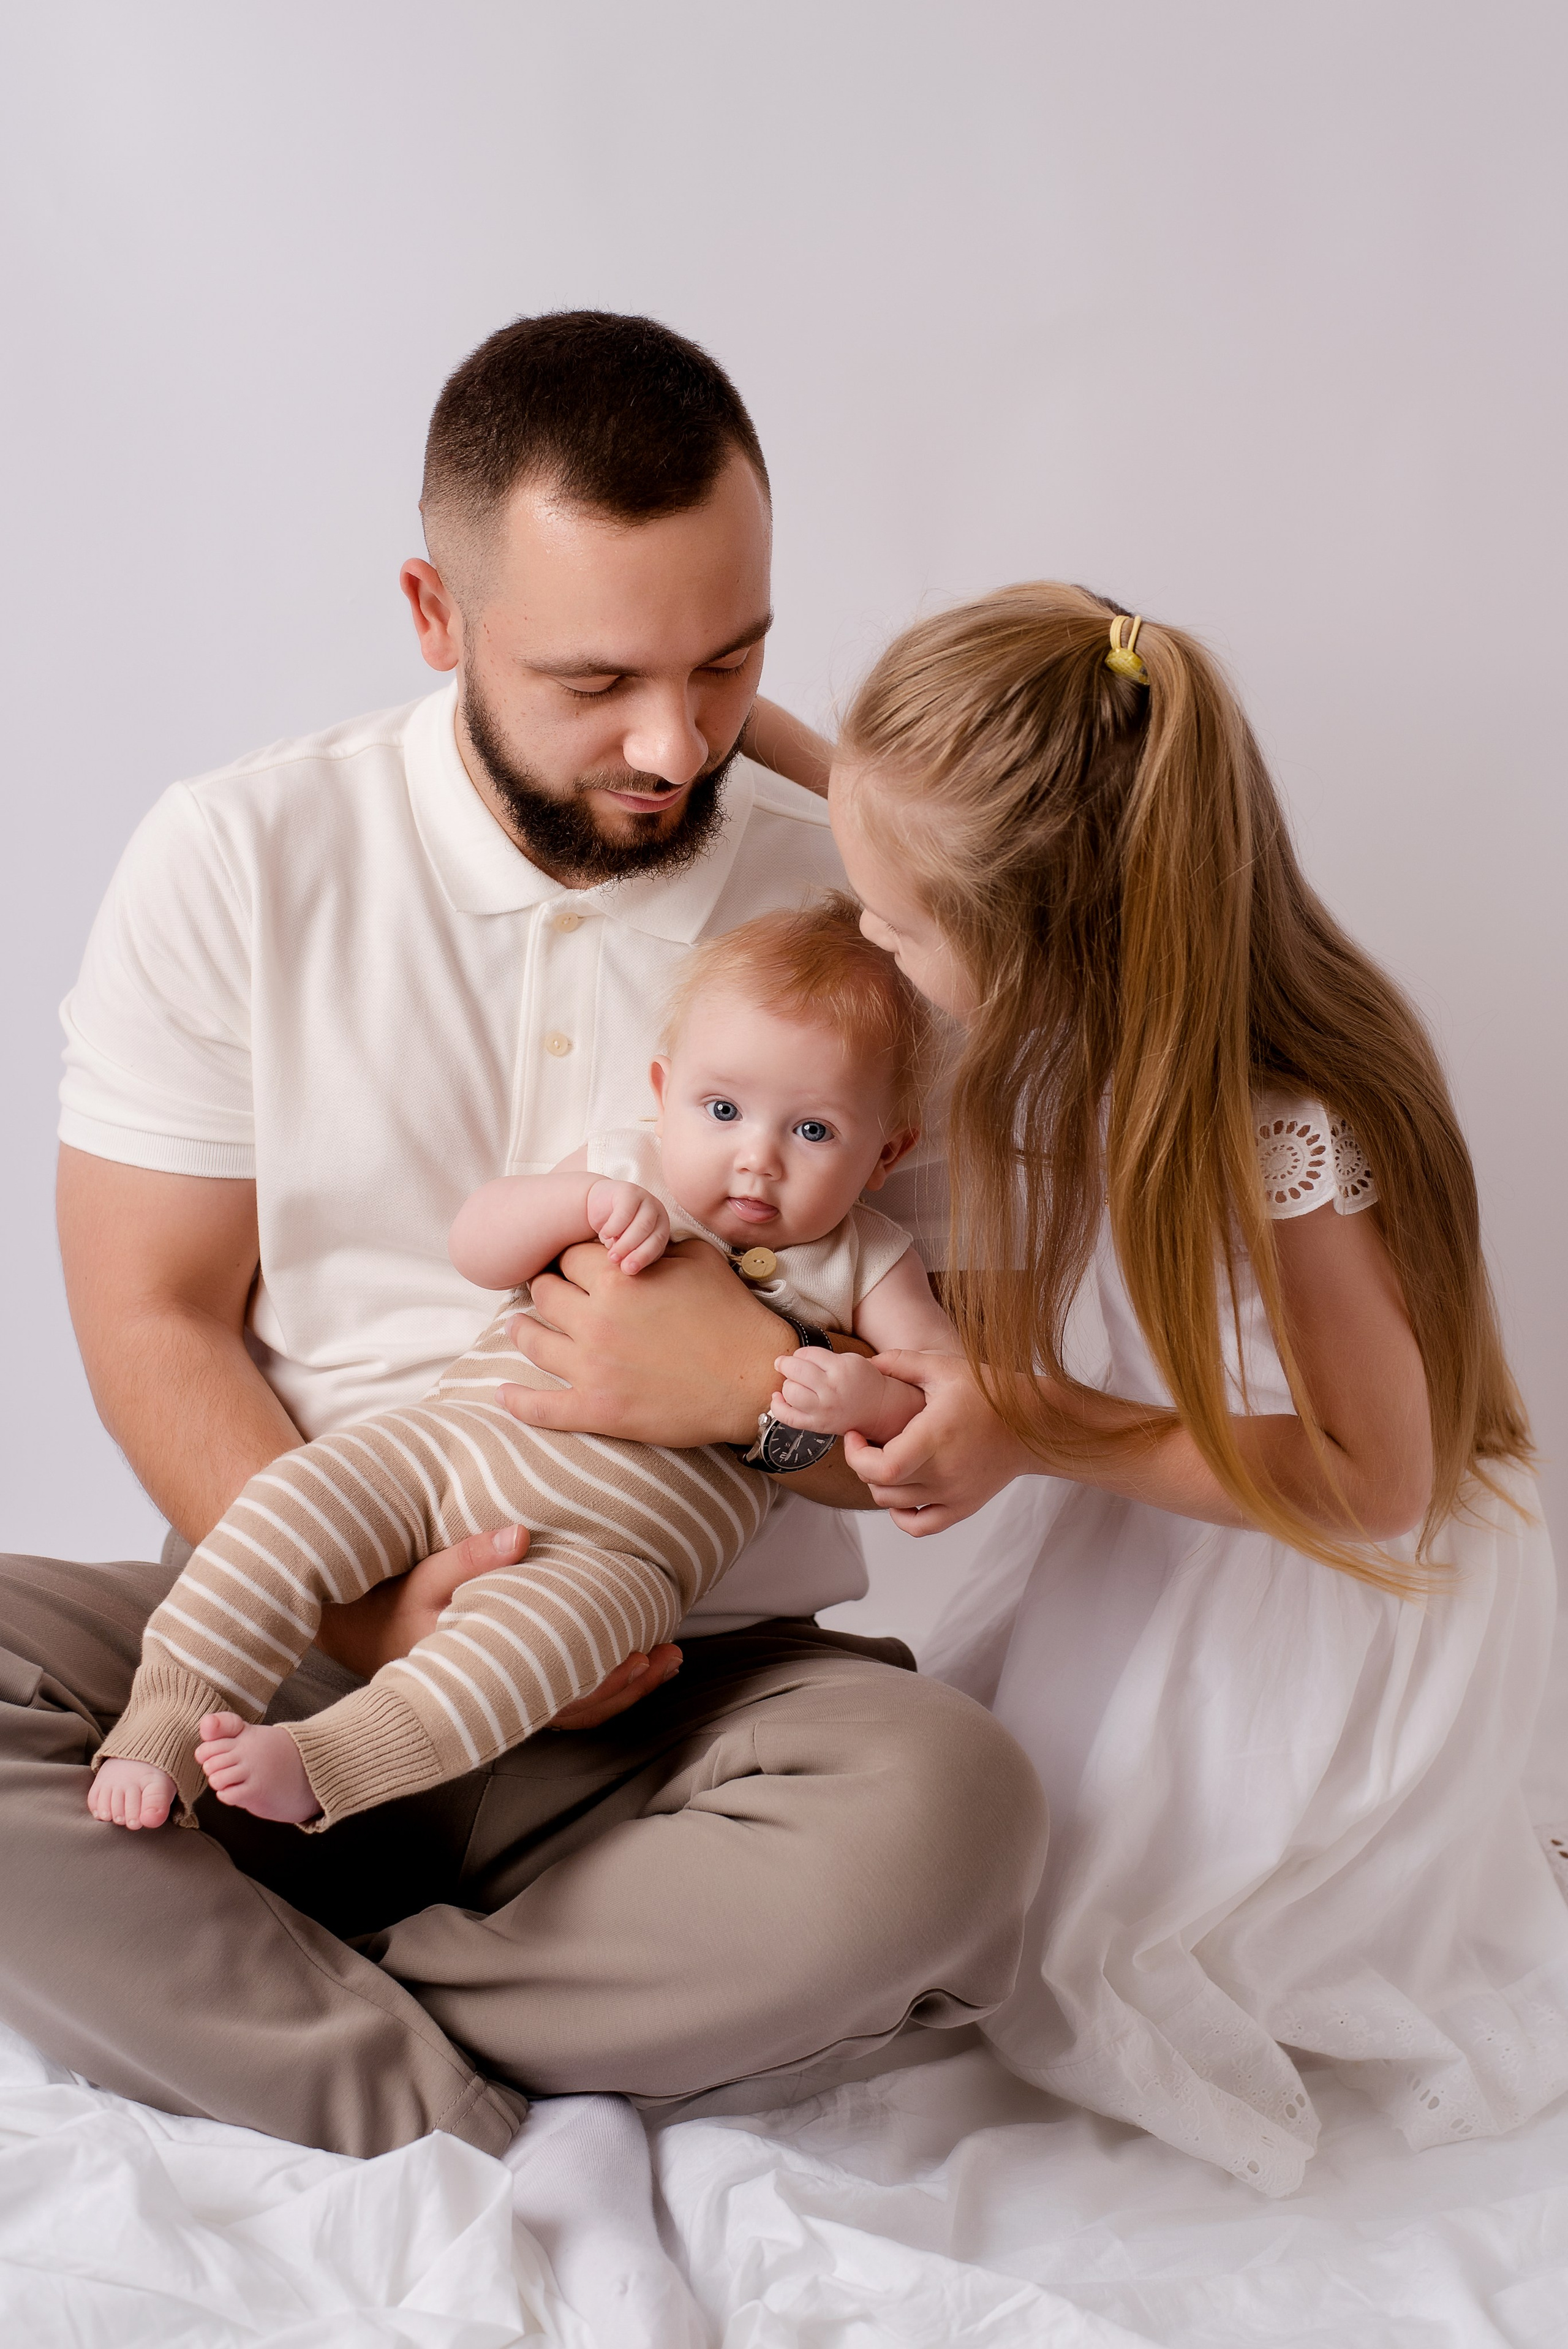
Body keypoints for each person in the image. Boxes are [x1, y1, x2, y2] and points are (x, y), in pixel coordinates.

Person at [0, 312, 1046, 2157]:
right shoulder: (242, 851)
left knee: (952, 1818)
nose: (673, 741)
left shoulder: (863, 912)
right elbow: (152, 1315)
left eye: (731, 663)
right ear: (434, 611)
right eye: (596, 680)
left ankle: (252, 1988)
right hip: (286, 1602)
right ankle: (447, 2094)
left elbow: (926, 1431)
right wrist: (368, 1610)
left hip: (676, 1694)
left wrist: (747, 1398)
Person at [816, 581, 1568, 2196]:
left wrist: (1035, 1421)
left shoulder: (1278, 1126)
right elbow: (921, 829)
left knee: (1100, 1941)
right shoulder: (1109, 962)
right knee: (999, 1830)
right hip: (1176, 1522)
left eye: (897, 926)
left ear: (1037, 938)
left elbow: (1376, 1481)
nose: (867, 939)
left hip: (1314, 1570)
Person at [88, 899, 956, 1833]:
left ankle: (329, 1763)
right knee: (291, 1504)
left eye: (814, 1132)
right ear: (665, 1091)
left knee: (530, 1655)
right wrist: (576, 1200)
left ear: (886, 1153)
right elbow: (479, 1245)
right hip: (446, 1451)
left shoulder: (869, 1260)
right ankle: (171, 1712)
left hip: (617, 1554)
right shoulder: (630, 1164)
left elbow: (940, 1402)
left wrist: (858, 1389)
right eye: (722, 1109)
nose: (757, 1160)